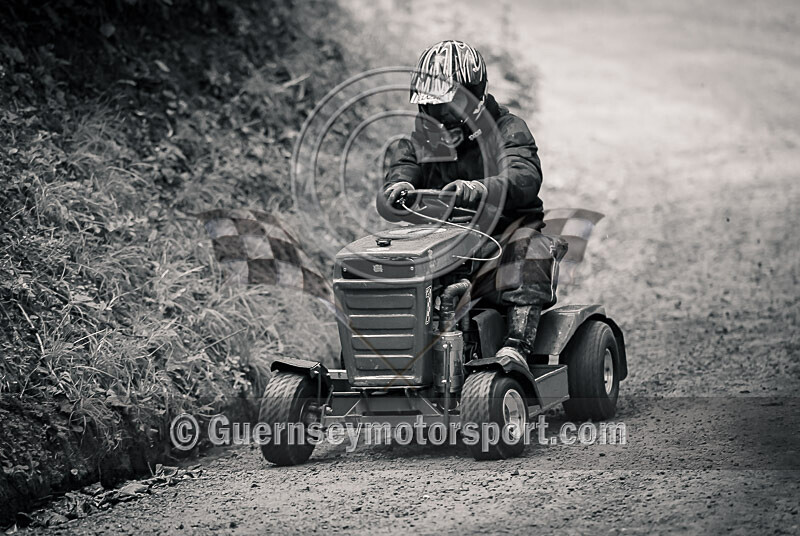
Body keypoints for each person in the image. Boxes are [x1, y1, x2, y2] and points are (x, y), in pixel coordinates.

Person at [379, 39, 563, 371]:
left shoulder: (508, 130)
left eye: (447, 107)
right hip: (443, 241)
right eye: (432, 107)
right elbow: (404, 164)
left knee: (529, 248)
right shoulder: (425, 140)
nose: (439, 116)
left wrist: (479, 188)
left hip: (501, 241)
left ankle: (516, 347)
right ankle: (387, 352)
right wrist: (399, 185)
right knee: (388, 256)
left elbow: (524, 177)